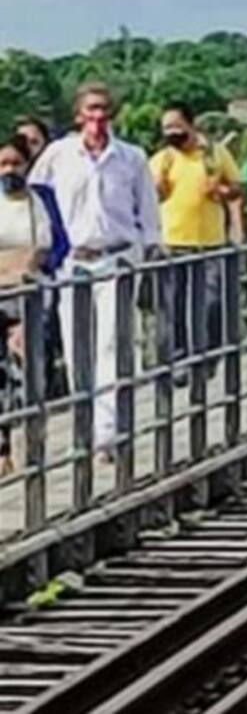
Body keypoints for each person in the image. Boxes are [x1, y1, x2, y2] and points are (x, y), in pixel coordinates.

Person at [29, 83, 161, 459]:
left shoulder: (131, 157)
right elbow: (37, 200)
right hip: (74, 259)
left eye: (104, 109)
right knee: (77, 344)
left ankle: (108, 430)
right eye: (91, 109)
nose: (98, 117)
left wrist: (150, 248)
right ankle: (85, 424)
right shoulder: (58, 155)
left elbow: (147, 207)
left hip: (118, 256)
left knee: (112, 343)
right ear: (78, 115)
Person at [148, 103, 242, 381]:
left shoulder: (214, 154)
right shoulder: (162, 159)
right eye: (166, 128)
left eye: (176, 126)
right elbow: (147, 196)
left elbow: (238, 188)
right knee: (173, 304)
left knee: (211, 302)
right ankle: (178, 360)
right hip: (173, 241)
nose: (171, 133)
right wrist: (157, 189)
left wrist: (222, 190)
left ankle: (208, 354)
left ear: (191, 126)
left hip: (210, 241)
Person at [0, 135, 67, 475]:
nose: (9, 170)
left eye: (16, 163)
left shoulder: (40, 200)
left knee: (27, 368)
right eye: (3, 164)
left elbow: (52, 245)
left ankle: (32, 444)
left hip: (30, 294)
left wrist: (27, 265)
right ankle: (2, 449)